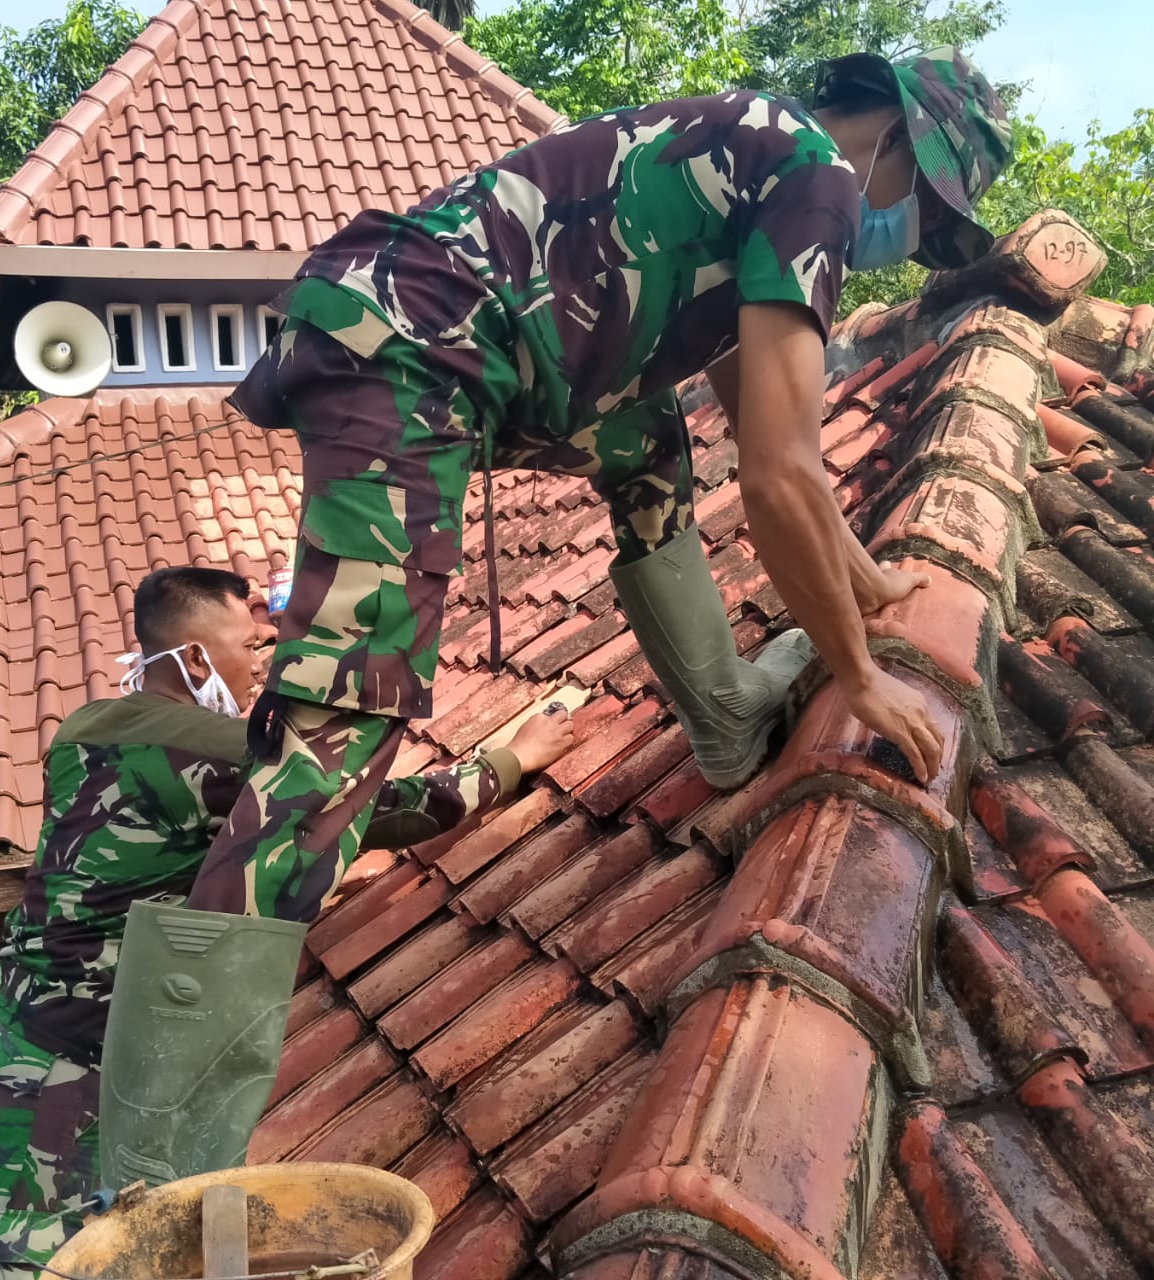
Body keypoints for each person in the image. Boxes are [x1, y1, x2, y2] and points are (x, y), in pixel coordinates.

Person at [99, 47, 1011, 1188]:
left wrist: (861, 577)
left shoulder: (763, 153)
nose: (907, 243)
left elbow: (756, 423)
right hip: (416, 350)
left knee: (648, 446)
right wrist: (855, 671)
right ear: (890, 134)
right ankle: (154, 1156)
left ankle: (721, 710)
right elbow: (780, 475)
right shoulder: (820, 171)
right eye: (920, 216)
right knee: (343, 718)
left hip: (491, 351)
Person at [0, 566, 573, 1280]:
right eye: (252, 647)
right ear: (199, 659)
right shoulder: (215, 758)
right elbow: (378, 807)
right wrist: (513, 758)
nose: (262, 666)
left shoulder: (85, 731)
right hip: (48, 1091)